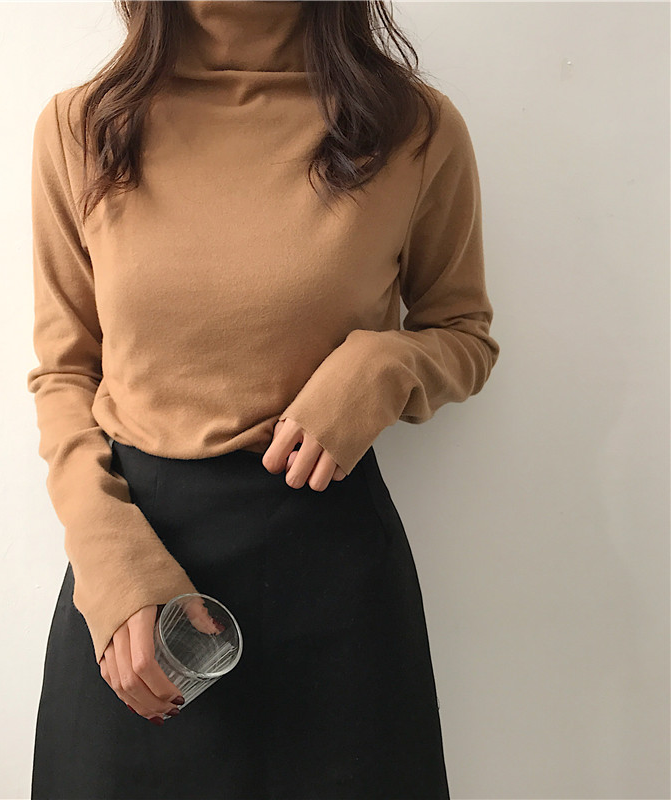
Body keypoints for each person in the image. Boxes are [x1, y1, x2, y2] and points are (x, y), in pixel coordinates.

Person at [27, 1, 499, 798]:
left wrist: (383, 365)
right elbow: (64, 373)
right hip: (133, 579)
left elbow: (463, 334)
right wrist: (108, 558)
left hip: (333, 579)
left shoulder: (413, 130)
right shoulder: (84, 128)